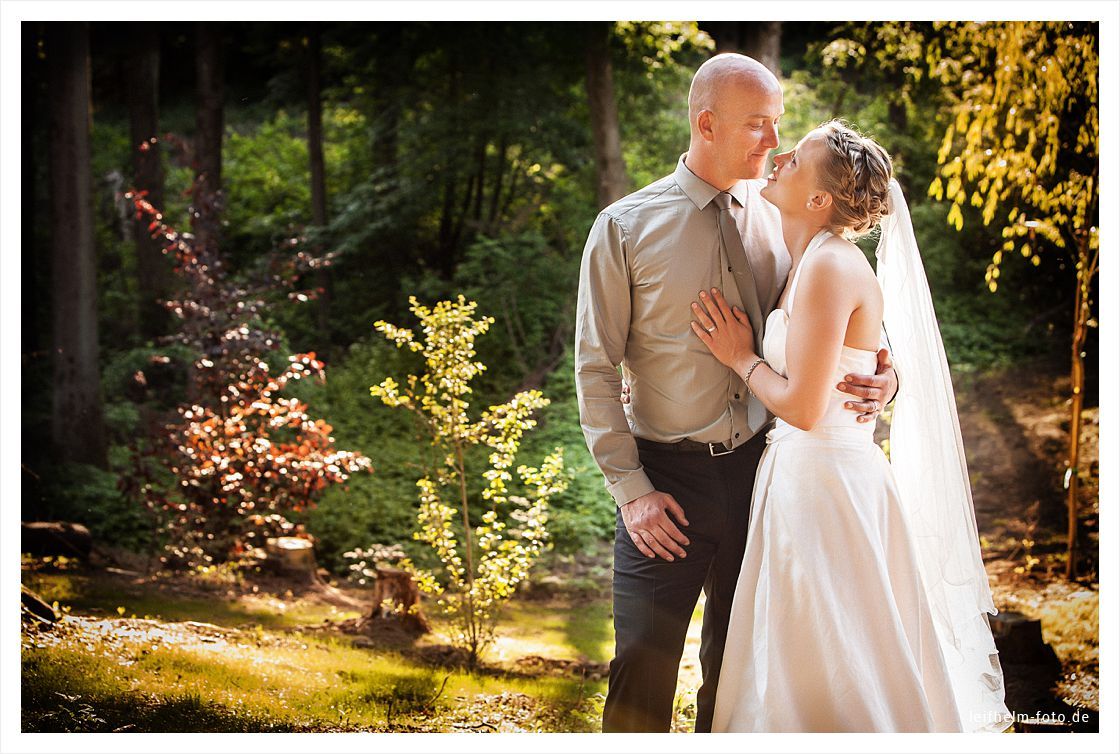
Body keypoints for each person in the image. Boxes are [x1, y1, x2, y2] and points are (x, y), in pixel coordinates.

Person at [574, 53, 898, 733]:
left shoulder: (785, 217)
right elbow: (595, 370)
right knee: (640, 663)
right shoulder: (624, 228)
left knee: (741, 671)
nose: (774, 142)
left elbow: (844, 330)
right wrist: (631, 493)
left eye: (778, 125)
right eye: (759, 125)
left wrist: (887, 377)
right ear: (707, 122)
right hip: (665, 478)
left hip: (764, 475)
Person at [693, 121, 1011, 732]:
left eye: (797, 158)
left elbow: (806, 408)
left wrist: (739, 356)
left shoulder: (830, 265)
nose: (779, 157)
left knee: (838, 653)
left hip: (826, 484)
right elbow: (852, 358)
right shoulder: (805, 258)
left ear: (819, 200)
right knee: (811, 646)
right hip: (804, 476)